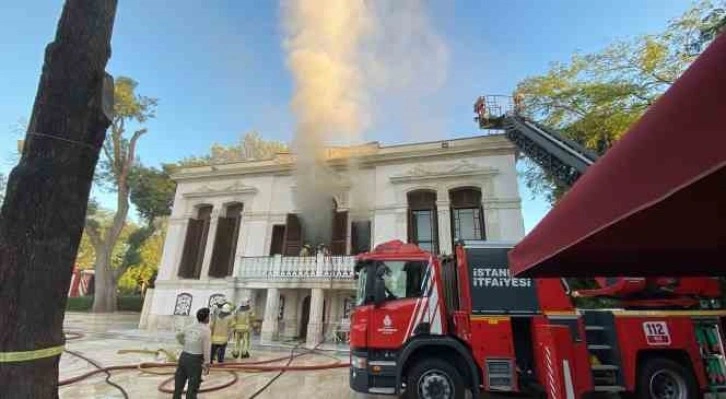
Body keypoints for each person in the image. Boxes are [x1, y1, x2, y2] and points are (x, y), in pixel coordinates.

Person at [173, 307, 211, 399]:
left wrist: (185, 343)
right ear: (206, 318)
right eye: (209, 316)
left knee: (179, 383)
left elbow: (178, 335)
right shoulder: (206, 330)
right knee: (193, 384)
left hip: (184, 356)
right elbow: (206, 348)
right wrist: (207, 363)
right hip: (195, 359)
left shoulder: (190, 326)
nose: (210, 318)